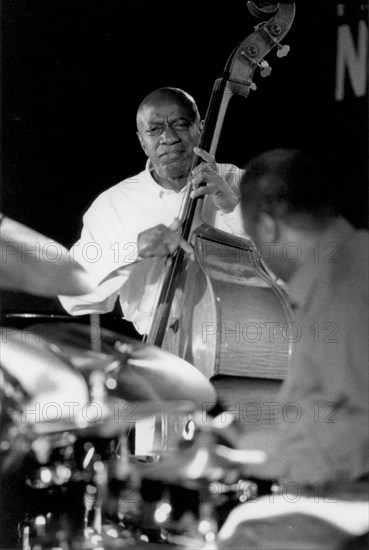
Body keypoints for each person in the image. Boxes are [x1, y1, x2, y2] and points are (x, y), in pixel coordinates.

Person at [59, 87, 245, 335]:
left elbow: (293, 265)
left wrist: (233, 207)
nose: (169, 138)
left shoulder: (240, 184)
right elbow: (73, 294)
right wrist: (133, 248)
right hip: (158, 350)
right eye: (154, 129)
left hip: (241, 336)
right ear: (142, 142)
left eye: (180, 124)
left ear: (200, 129)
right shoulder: (113, 204)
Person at [233, 148, 369, 485]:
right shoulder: (351, 259)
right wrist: (241, 446)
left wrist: (244, 457)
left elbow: (360, 433)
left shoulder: (341, 287)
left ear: (266, 227)